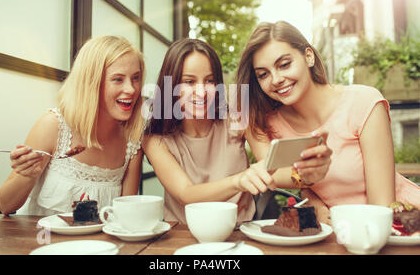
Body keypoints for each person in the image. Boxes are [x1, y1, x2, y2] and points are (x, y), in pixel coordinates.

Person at [235, 20, 420, 218]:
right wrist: (310, 194)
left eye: (285, 64)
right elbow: (273, 174)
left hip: (402, 224)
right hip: (340, 235)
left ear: (308, 56)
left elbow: (381, 209)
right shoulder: (269, 124)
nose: (276, 79)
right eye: (263, 74)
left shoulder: (363, 102)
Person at [142, 38, 332, 224]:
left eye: (209, 81)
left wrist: (305, 174)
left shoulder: (238, 118)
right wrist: (238, 181)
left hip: (240, 231)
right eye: (189, 82)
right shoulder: (155, 139)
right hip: (182, 236)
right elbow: (186, 193)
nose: (201, 92)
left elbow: (273, 168)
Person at [0, 35, 146, 215]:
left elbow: (125, 216)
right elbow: (5, 206)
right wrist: (28, 176)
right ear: (91, 83)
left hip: (100, 244)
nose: (131, 89)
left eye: (136, 78)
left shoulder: (132, 141)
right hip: (42, 240)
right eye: (118, 79)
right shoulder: (53, 126)